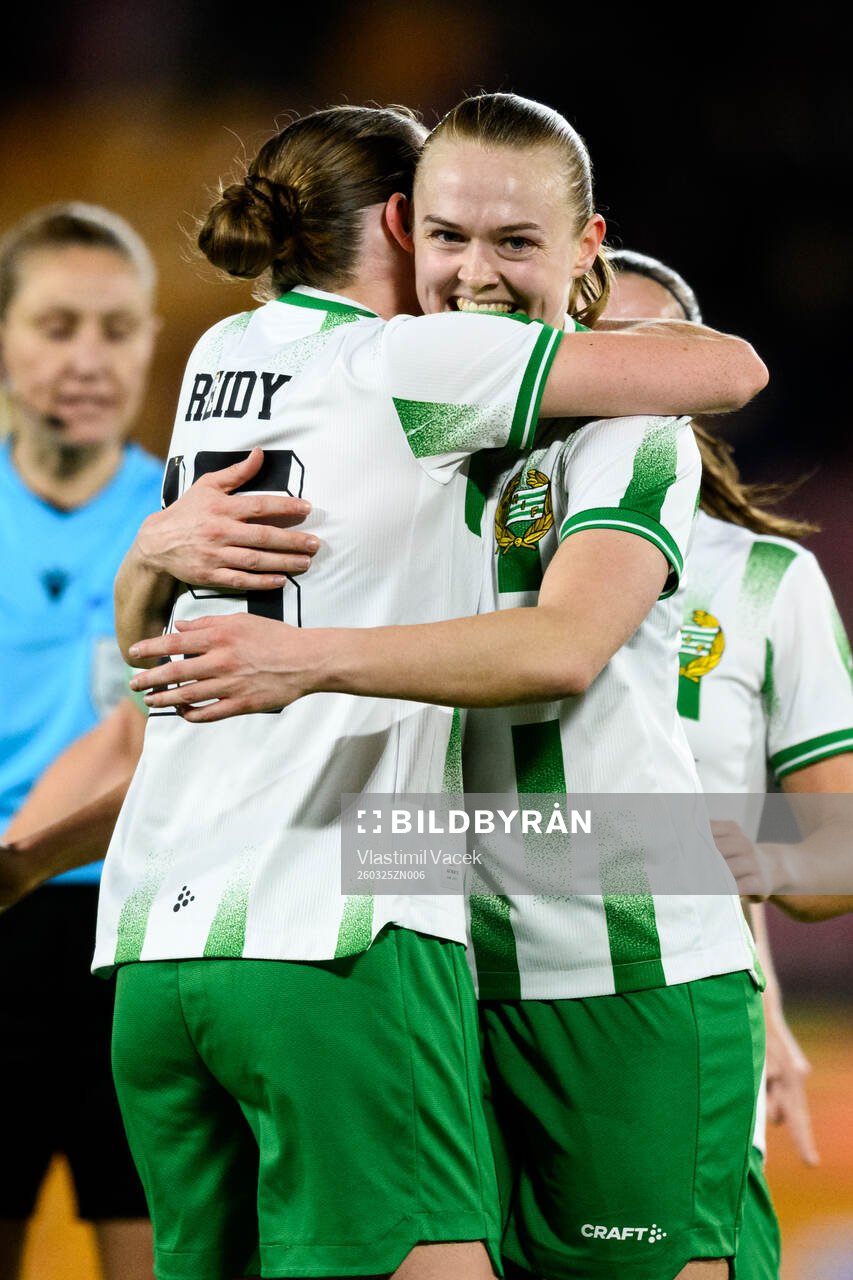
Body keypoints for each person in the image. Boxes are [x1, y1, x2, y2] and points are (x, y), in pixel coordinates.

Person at [95, 96, 767, 1280]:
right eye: (449, 236)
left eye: (515, 241)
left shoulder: (616, 433)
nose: (474, 272)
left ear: (587, 249)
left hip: (600, 955)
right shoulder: (412, 385)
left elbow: (567, 647)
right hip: (386, 926)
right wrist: (155, 553)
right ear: (404, 228)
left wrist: (177, 574)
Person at [604, 246, 853, 1280]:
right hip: (465, 1027)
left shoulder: (761, 579)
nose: (612, 377)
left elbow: (828, 849)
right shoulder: (465, 558)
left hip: (679, 1047)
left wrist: (757, 994)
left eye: (644, 353)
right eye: (581, 351)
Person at [0, 202, 164, 1280]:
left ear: (150, 339)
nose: (89, 360)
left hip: (141, 929)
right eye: (57, 326)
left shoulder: (195, 518)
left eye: (115, 329)